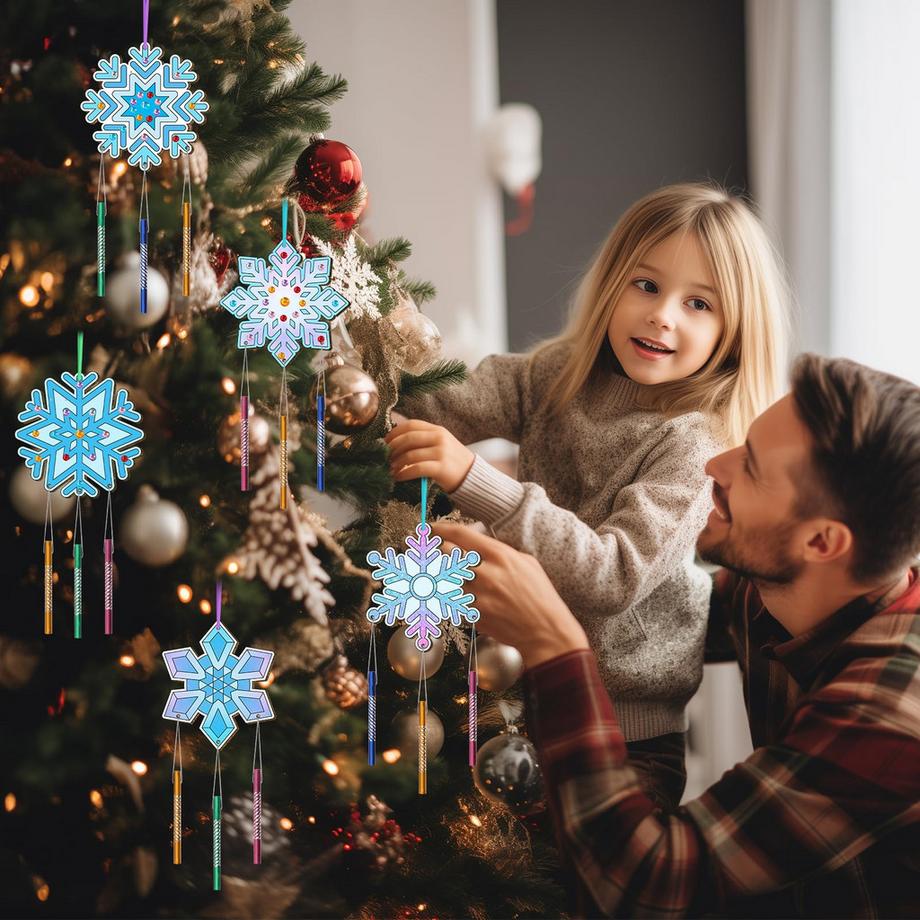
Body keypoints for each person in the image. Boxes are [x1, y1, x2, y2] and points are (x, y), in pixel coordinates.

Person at [433, 354, 920, 918]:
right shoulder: (784, 593)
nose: (714, 463)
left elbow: (643, 887)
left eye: (752, 467)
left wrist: (553, 644)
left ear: (821, 543)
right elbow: (652, 615)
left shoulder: (890, 712)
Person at [387, 183, 789, 808]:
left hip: (624, 739)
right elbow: (439, 405)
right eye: (646, 285)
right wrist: (371, 364)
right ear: (612, 284)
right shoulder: (559, 374)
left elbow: (611, 575)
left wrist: (476, 480)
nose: (663, 315)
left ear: (734, 332)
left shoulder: (694, 444)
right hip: (507, 699)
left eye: (698, 303)